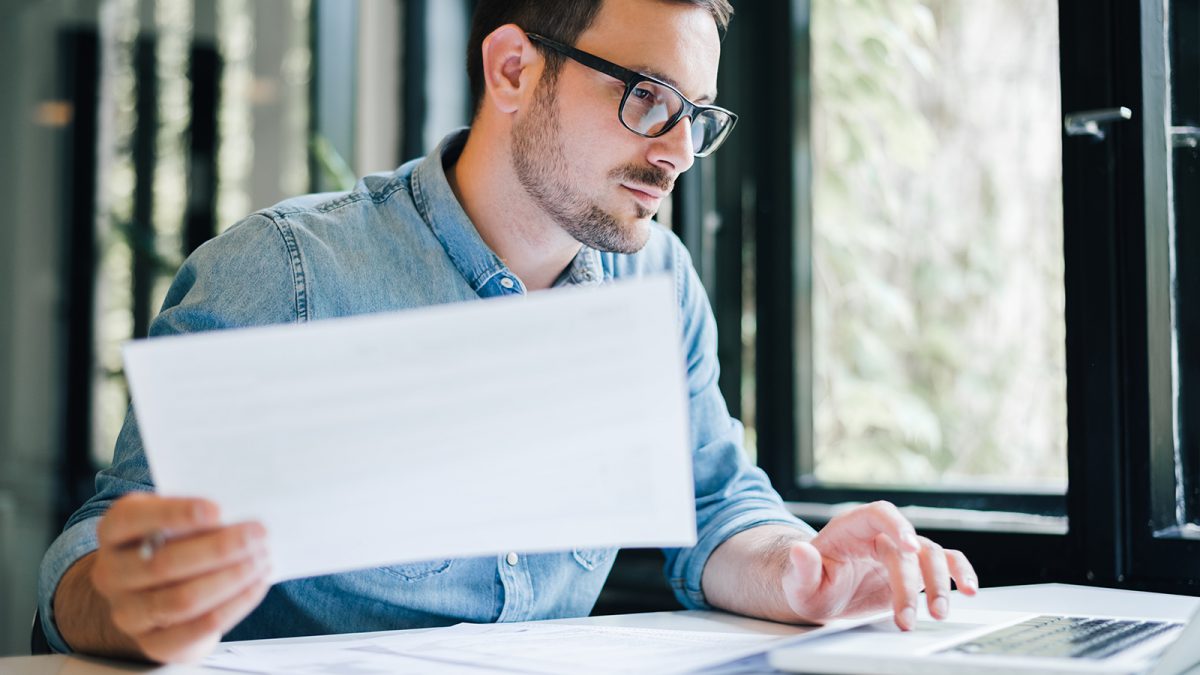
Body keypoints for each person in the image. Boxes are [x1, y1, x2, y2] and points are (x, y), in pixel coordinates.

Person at [39, 0, 977, 664]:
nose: (679, 150)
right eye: (649, 97)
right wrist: (124, 601)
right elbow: (94, 557)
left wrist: (801, 569)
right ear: (514, 69)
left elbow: (713, 506)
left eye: (697, 116)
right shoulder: (286, 272)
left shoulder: (656, 280)